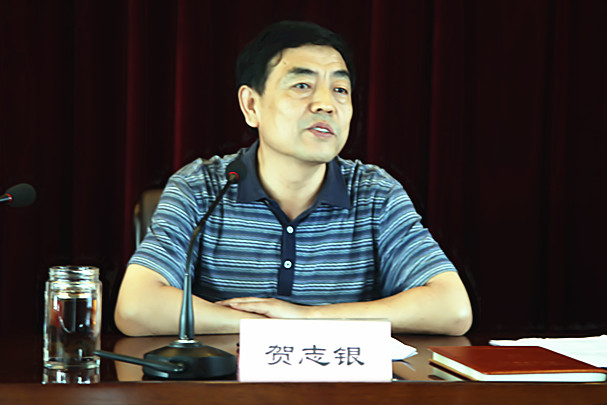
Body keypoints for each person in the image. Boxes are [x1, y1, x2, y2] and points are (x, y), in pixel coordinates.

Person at [114, 21, 472, 337]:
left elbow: (452, 308)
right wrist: (268, 326)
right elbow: (136, 307)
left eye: (340, 90)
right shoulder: (200, 187)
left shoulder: (375, 193)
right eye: (302, 85)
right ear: (251, 105)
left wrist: (308, 317)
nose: (325, 104)